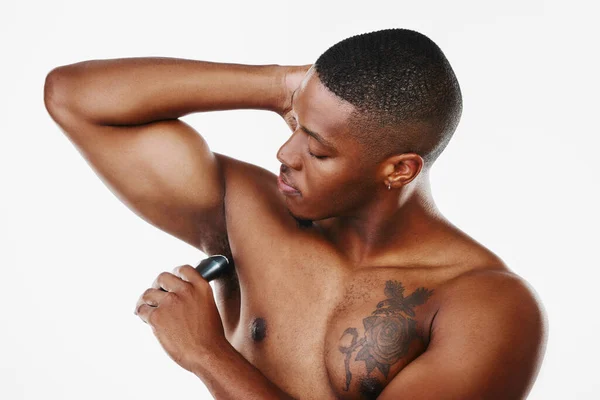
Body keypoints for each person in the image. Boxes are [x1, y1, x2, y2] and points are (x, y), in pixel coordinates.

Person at [44, 28, 547, 399]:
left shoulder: (486, 306)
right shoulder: (248, 214)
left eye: (319, 151)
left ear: (398, 169)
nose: (285, 154)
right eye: (294, 126)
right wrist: (281, 85)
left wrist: (207, 354)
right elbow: (75, 97)